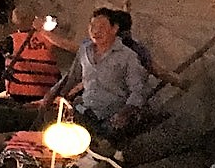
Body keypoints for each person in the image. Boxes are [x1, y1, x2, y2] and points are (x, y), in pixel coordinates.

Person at [43, 7, 155, 138]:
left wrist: (125, 112)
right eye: (92, 26)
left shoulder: (128, 57)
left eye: (102, 27)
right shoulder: (85, 50)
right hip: (84, 111)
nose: (95, 31)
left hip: (110, 118)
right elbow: (72, 77)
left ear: (114, 29)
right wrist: (52, 95)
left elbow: (138, 90)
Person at [0, 9, 71, 103]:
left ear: (15, 23)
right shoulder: (50, 39)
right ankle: (2, 86)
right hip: (48, 92)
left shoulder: (13, 40)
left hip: (20, 94)